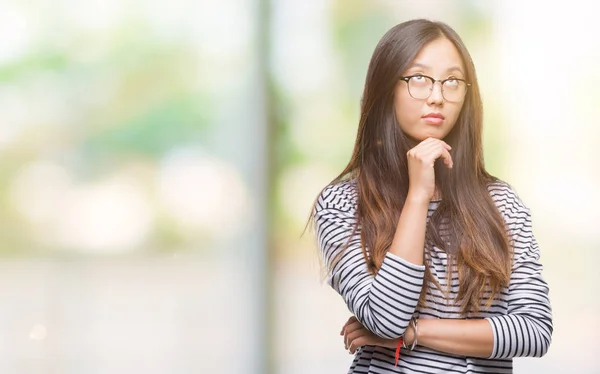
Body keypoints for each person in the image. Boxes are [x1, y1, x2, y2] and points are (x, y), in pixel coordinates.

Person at [311, 19, 552, 373]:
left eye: (452, 81)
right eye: (418, 79)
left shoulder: (500, 203)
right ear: (386, 87)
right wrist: (418, 195)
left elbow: (534, 330)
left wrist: (415, 332)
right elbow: (385, 318)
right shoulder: (342, 203)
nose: (437, 95)